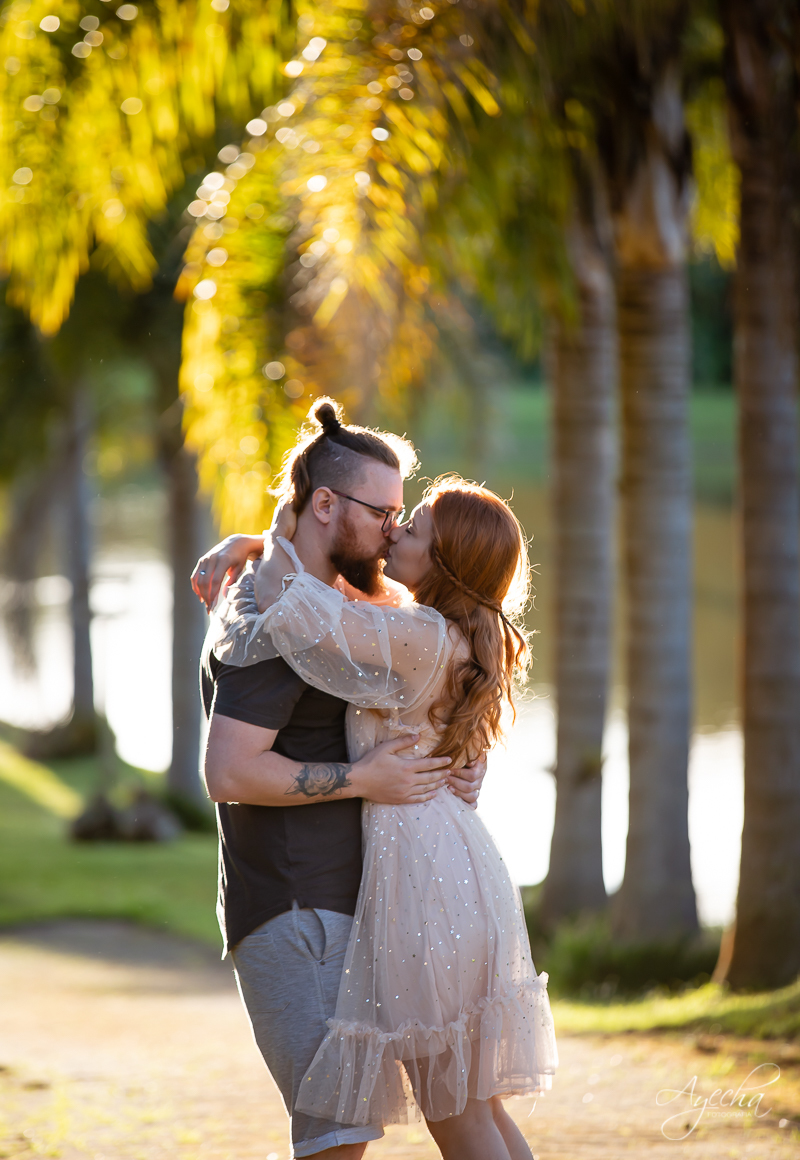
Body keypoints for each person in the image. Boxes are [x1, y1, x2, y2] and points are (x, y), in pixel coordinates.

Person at [206, 403, 558, 1160]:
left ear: (447, 562)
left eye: (413, 526)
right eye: (391, 515)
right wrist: (258, 541)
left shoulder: (414, 633)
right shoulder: (434, 625)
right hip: (449, 869)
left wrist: (268, 544)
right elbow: (329, 603)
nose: (396, 532)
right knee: (472, 1109)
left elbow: (301, 613)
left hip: (425, 876)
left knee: (459, 1115)